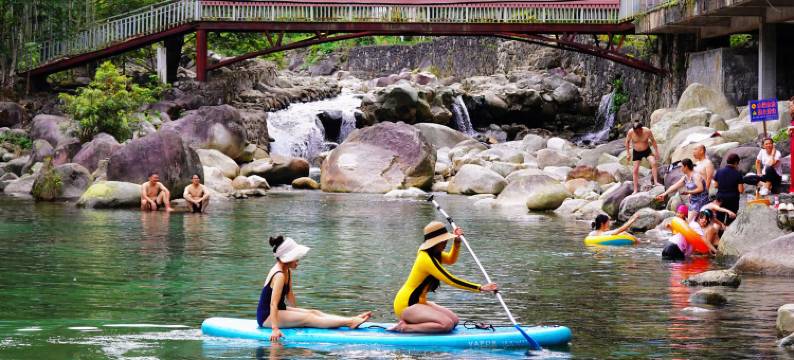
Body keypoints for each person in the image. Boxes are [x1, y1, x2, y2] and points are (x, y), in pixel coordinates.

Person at [257, 235, 372, 342]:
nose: (298, 262)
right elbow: (273, 304)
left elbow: (290, 295)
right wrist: (275, 329)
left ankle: (350, 319)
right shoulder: (279, 275)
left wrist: (296, 318)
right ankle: (350, 322)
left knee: (313, 312)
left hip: (279, 310)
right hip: (267, 316)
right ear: (287, 258)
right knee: (309, 318)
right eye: (296, 258)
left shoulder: (286, 271)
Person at [390, 221, 498, 333]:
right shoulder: (425, 258)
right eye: (443, 240)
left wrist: (457, 242)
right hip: (406, 305)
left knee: (454, 320)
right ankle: (405, 327)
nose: (446, 242)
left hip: (420, 302)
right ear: (435, 242)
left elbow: (451, 260)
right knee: (446, 324)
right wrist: (480, 288)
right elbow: (451, 280)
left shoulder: (434, 253)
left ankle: (418, 323)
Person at [625, 121, 661, 193]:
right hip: (636, 152)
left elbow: (653, 141)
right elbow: (627, 142)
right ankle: (635, 190)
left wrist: (656, 152)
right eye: (635, 132)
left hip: (647, 150)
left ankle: (656, 182)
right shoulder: (631, 132)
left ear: (641, 129)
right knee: (635, 170)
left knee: (653, 163)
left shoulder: (647, 131)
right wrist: (628, 153)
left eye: (638, 131)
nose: (637, 133)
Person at [712, 153, 744, 225]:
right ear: (736, 162)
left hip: (720, 198)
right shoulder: (738, 173)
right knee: (731, 219)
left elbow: (715, 185)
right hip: (733, 199)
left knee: (719, 218)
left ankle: (720, 234)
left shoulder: (719, 171)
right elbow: (740, 190)